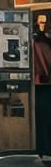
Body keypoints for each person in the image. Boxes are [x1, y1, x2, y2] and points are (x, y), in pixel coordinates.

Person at [33, 16, 51, 158]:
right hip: (43, 85)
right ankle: (44, 148)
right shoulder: (41, 43)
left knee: (42, 119)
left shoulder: (39, 42)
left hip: (40, 85)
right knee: (45, 118)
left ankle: (43, 148)